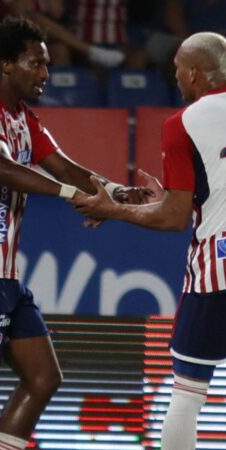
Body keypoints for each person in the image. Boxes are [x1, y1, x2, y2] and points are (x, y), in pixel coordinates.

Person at [0, 17, 145, 450]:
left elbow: (64, 166)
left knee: (44, 377)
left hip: (3, 275)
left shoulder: (23, 118)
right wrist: (72, 195)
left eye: (46, 64)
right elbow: (0, 167)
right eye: (36, 63)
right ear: (6, 64)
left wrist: (116, 192)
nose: (45, 73)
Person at [71, 31, 226, 450]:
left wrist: (113, 210)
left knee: (188, 394)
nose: (173, 75)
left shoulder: (184, 123)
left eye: (177, 67)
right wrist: (179, 199)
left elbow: (174, 218)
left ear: (195, 74)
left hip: (218, 269)